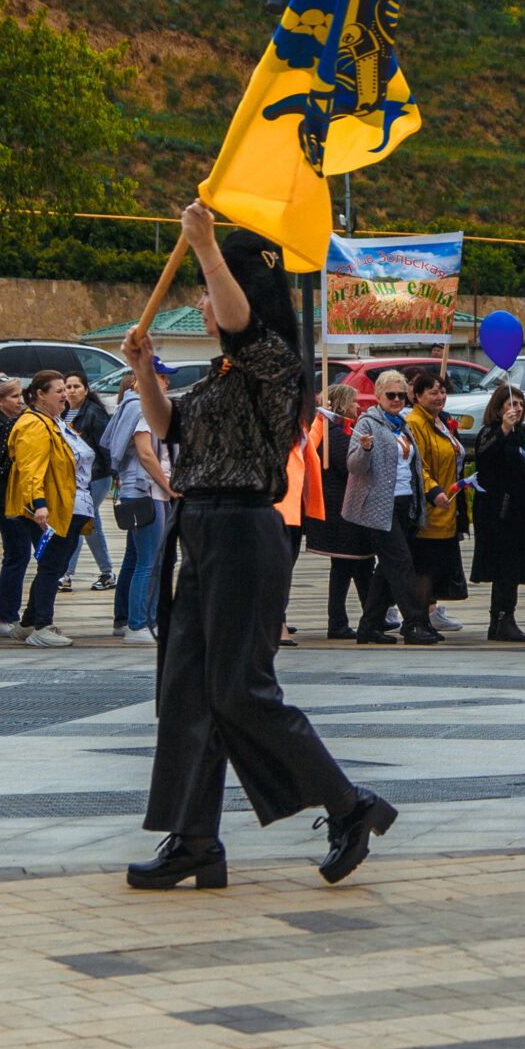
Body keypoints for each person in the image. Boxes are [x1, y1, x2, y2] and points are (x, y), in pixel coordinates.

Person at [124, 201, 396, 890]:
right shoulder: (218, 377)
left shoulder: (276, 364)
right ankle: (193, 839)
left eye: (216, 292)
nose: (206, 305)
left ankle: (350, 805)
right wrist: (143, 372)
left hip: (247, 530)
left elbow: (242, 322)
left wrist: (207, 246)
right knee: (185, 689)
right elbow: (171, 426)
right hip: (203, 528)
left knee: (240, 690)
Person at [342, 369, 435, 645]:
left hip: (404, 503)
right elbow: (353, 466)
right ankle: (413, 623)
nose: (396, 400)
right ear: (379, 396)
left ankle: (369, 626)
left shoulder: (402, 425)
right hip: (377, 506)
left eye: (400, 395)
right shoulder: (367, 423)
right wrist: (365, 450)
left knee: (387, 568)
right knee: (401, 562)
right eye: (390, 395)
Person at [5, 370, 87, 648]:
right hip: (48, 509)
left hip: (63, 506)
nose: (65, 395)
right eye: (59, 390)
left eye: (65, 389)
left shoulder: (51, 421)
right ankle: (42, 625)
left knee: (56, 564)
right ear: (40, 394)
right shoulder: (34, 425)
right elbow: (31, 470)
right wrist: (38, 506)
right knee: (52, 565)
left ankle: (29, 622)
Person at [104, 368, 172, 644]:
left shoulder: (129, 405)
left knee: (135, 558)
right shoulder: (144, 408)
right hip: (148, 490)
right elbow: (145, 453)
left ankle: (125, 620)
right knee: (150, 560)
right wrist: (170, 488)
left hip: (137, 489)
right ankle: (140, 623)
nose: (167, 382)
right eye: (164, 376)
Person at [469, 384, 525, 641]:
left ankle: (503, 617)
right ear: (498, 409)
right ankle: (501, 619)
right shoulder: (490, 432)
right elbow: (486, 456)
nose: (517, 409)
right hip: (499, 513)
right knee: (504, 568)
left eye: (520, 404)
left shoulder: (523, 434)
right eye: (511, 404)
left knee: (513, 568)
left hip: (520, 514)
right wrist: (504, 429)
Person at [305, 382, 372, 639]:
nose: (358, 405)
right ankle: (340, 622)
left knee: (359, 565)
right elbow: (350, 467)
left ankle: (368, 615)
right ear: (343, 403)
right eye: (354, 401)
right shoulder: (334, 433)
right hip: (340, 510)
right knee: (348, 565)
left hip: (344, 508)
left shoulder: (339, 430)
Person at [405, 371, 468, 633]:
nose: (439, 396)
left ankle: (428, 617)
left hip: (448, 508)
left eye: (442, 391)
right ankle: (417, 621)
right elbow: (419, 465)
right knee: (424, 569)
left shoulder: (442, 420)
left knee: (438, 567)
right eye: (432, 391)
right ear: (417, 396)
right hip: (429, 508)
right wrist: (433, 492)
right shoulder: (415, 422)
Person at [0, 377, 34, 638]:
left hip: (7, 498)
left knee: (18, 553)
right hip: (4, 499)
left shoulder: (5, 423)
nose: (20, 401)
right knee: (18, 553)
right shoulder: (4, 426)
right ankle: (1, 616)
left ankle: (5, 613)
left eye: (20, 396)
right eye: (14, 397)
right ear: (0, 400)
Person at [64, 373, 117, 591]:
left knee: (78, 520)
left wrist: (115, 475)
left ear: (86, 390)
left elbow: (106, 447)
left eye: (77, 386)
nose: (72, 390)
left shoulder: (94, 413)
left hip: (96, 477)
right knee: (90, 525)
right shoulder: (63, 413)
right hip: (74, 479)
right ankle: (107, 573)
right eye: (68, 386)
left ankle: (65, 573)